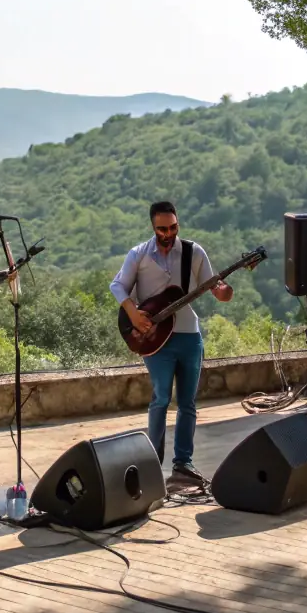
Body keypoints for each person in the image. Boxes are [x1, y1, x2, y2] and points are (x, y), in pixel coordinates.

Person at [110, 201, 233, 481]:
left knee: (188, 402)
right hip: (154, 339)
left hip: (189, 335)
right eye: (162, 228)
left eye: (173, 227)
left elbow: (215, 286)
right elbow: (118, 285)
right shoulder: (139, 254)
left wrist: (223, 292)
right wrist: (133, 312)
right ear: (153, 227)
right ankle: (153, 461)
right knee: (161, 398)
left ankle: (183, 464)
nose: (169, 233)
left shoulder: (193, 251)